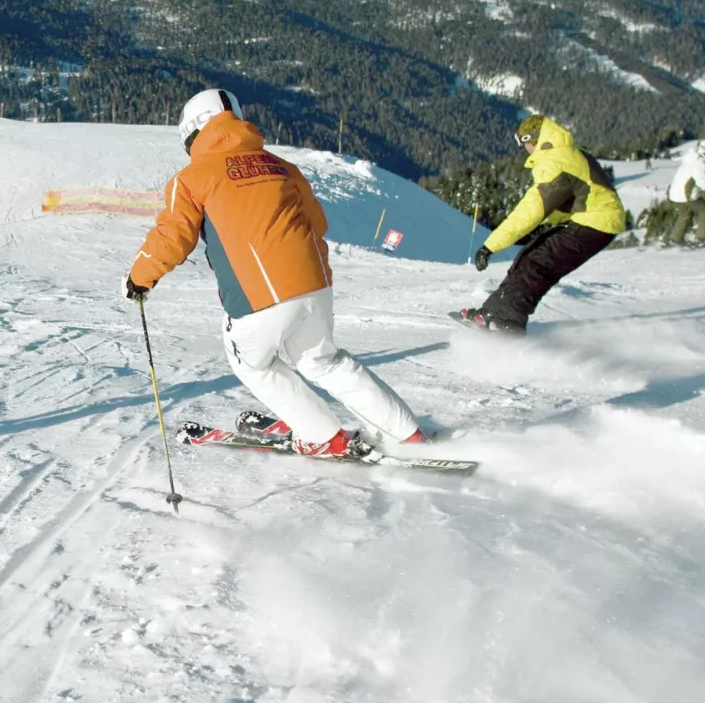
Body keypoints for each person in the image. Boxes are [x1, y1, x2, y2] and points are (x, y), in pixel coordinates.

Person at [125, 89, 427, 458]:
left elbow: (173, 236)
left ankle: (322, 436)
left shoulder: (191, 179)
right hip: (315, 285)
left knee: (252, 362)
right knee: (324, 361)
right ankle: (406, 433)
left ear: (191, 133)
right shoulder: (282, 166)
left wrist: (140, 278)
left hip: (258, 297)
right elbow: (317, 222)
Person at [456, 114, 625, 333]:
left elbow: (530, 211)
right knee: (531, 256)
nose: (522, 147)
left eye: (522, 142)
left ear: (532, 139)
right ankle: (493, 312)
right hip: (592, 221)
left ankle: (506, 319)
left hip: (593, 223)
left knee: (535, 263)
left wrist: (491, 245)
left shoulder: (555, 162)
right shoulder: (565, 152)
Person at [664, 139, 705, 247]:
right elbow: (702, 183)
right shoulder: (700, 162)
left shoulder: (691, 158)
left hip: (675, 194)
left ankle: (674, 239)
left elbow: (698, 174)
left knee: (685, 215)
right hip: (686, 195)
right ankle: (702, 239)